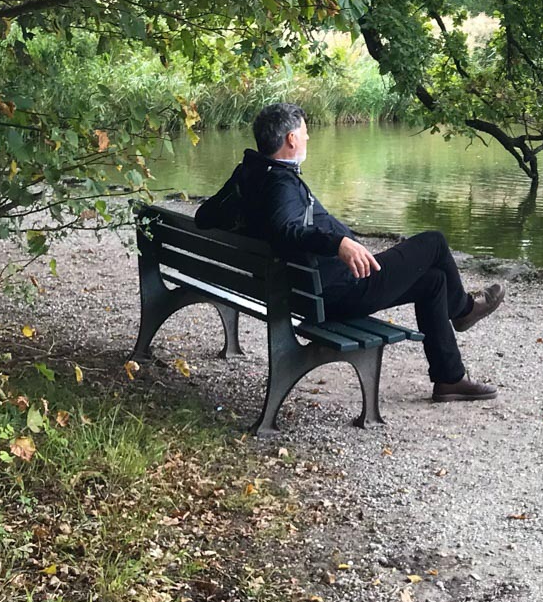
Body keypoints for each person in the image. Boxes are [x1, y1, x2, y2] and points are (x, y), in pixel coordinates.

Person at [195, 101, 502, 401]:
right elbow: (284, 228)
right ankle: (462, 311)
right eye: (304, 132)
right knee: (433, 242)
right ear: (291, 139)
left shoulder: (251, 172)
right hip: (339, 293)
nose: (308, 137)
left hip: (301, 289)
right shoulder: (279, 183)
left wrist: (246, 217)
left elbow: (204, 216)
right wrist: (337, 243)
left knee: (434, 281)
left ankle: (450, 379)